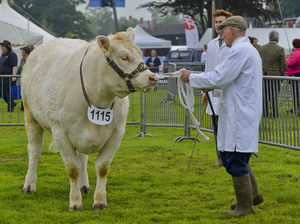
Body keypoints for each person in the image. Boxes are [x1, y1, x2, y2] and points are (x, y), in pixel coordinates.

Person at [181, 16, 263, 216]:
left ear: (234, 30)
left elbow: (219, 76)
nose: (221, 33)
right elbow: (226, 78)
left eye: (223, 30)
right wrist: (209, 83)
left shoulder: (239, 51)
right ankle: (253, 196)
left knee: (235, 159)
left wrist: (191, 77)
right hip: (239, 110)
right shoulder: (245, 50)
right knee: (232, 156)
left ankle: (246, 207)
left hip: (240, 113)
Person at [202, 9, 232, 167]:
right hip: (213, 92)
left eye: (221, 22)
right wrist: (204, 89)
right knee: (216, 126)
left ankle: (231, 157)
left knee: (229, 126)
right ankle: (220, 157)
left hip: (229, 91)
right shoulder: (212, 44)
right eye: (216, 22)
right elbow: (208, 68)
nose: (218, 25)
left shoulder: (233, 44)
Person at [258, 30, 287, 117]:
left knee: (264, 95)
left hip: (263, 75)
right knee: (274, 95)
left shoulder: (261, 48)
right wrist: (282, 74)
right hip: (275, 76)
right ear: (277, 39)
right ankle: (274, 113)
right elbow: (283, 64)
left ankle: (265, 113)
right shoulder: (280, 49)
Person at [0, 40, 18, 112]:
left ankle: (10, 108)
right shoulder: (3, 55)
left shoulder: (12, 54)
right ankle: (12, 103)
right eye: (1, 46)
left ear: (7, 47)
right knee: (2, 92)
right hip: (2, 77)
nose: (1, 47)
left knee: (7, 92)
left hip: (8, 77)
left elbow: (14, 66)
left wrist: (14, 76)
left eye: (3, 46)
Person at [285, 38, 300, 115]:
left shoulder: (296, 53)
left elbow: (291, 63)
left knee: (296, 93)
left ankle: (296, 109)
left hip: (295, 75)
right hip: (297, 75)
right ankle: (295, 108)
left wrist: (286, 59)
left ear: (294, 45)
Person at [17, 45, 33, 111]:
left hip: (29, 79)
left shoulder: (30, 60)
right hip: (23, 79)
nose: (21, 53)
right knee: (23, 93)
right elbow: (20, 68)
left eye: (22, 51)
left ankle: (26, 107)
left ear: (26, 52)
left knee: (28, 93)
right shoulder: (22, 60)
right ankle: (23, 106)